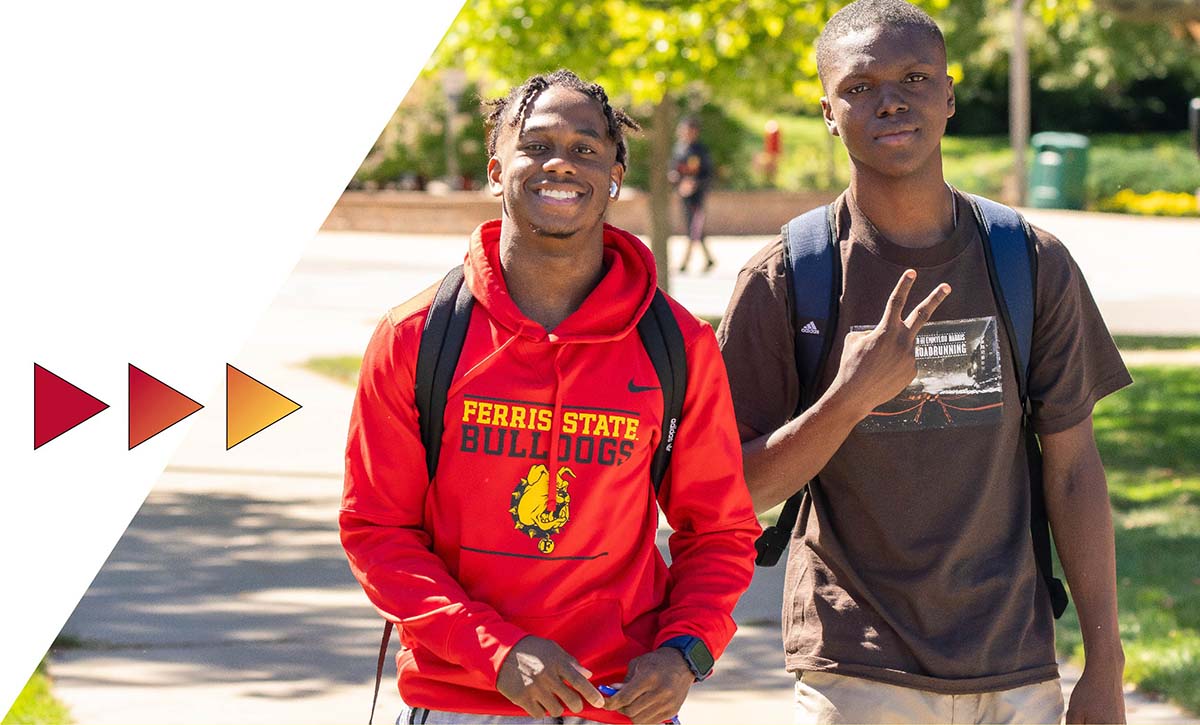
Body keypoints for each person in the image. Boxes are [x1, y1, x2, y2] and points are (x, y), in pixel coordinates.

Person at [716, 2, 1131, 723]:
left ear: (949, 96)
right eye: (859, 86)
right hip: (856, 667)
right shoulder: (787, 278)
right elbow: (732, 491)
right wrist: (846, 399)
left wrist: (1106, 663)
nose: (891, 100)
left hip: (1015, 666)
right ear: (827, 111)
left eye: (913, 77)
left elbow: (1073, 469)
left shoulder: (1031, 263)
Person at [340, 69, 760, 725]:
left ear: (616, 174)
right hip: (461, 703)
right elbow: (379, 533)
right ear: (495, 167)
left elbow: (720, 531)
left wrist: (686, 651)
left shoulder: (677, 344)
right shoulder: (416, 338)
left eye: (586, 147)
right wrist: (495, 651)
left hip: (619, 706)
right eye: (536, 144)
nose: (560, 162)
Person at [669, 116, 715, 273]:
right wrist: (675, 179)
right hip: (684, 196)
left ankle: (684, 262)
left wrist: (696, 184)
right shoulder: (679, 149)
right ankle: (709, 259)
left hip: (697, 196)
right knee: (693, 228)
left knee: (694, 227)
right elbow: (674, 169)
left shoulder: (701, 151)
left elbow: (709, 174)